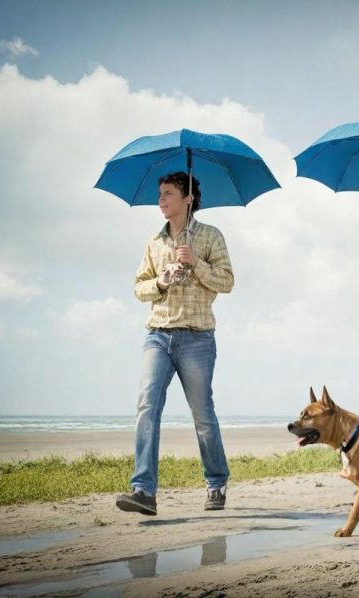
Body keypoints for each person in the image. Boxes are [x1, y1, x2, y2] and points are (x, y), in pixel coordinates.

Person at [115, 171, 234, 516]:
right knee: (147, 407)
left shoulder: (210, 236)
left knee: (202, 415)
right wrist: (162, 281)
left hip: (197, 337)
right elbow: (139, 288)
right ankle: (143, 491)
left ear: (188, 198)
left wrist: (195, 262)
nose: (161, 200)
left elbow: (227, 281)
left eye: (168, 193)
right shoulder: (154, 242)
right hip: (158, 334)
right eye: (160, 194)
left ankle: (216, 483)